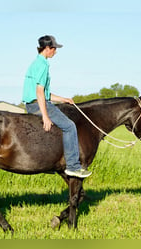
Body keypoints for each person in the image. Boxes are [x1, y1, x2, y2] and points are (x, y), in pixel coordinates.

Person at [22, 35, 92, 178]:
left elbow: (45, 93)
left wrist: (63, 99)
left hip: (33, 104)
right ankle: (73, 166)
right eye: (54, 48)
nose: (56, 51)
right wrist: (46, 116)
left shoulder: (36, 63)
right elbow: (39, 92)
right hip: (38, 105)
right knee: (69, 126)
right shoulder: (42, 65)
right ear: (47, 48)